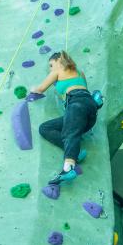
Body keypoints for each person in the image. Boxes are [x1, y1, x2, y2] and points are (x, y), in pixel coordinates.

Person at [33, 51, 98, 185]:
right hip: (89, 110)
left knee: (70, 134)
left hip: (76, 104)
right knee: (45, 128)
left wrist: (31, 89)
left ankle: (68, 168)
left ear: (58, 61)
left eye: (51, 65)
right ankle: (76, 152)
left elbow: (40, 89)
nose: (50, 68)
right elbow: (83, 89)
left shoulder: (57, 71)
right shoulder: (80, 72)